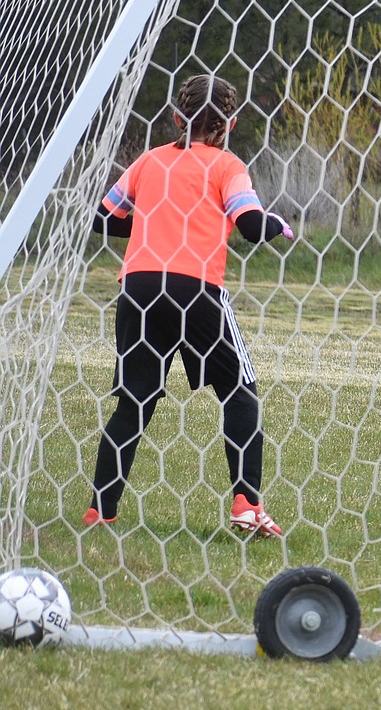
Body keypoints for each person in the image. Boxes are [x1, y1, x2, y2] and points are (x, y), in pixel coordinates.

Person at [83, 74, 293, 536]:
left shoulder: (148, 161)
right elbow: (253, 227)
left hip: (138, 289)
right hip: (195, 291)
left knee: (133, 404)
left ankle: (100, 511)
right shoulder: (227, 166)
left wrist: (147, 226)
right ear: (230, 124)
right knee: (241, 392)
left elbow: (102, 217)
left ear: (177, 118)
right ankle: (246, 504)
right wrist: (279, 223)